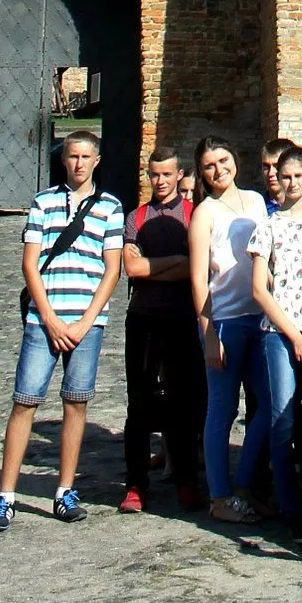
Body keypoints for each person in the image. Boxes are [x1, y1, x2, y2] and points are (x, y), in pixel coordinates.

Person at [0, 131, 123, 532]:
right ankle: (5, 496)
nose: (79, 163)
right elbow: (30, 263)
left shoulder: (111, 207)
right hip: (44, 319)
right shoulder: (42, 203)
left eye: (85, 157)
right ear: (64, 160)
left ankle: (65, 490)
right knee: (25, 401)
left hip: (86, 323)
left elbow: (112, 269)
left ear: (96, 161)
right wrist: (48, 317)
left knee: (76, 403)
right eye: (73, 156)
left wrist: (84, 321)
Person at [250, 142, 302, 542]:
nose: (292, 183)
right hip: (280, 334)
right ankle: (290, 507)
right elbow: (259, 289)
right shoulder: (268, 226)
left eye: (299, 175)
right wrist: (293, 334)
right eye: (285, 176)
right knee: (282, 419)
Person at [188, 135, 271, 524]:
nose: (218, 169)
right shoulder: (204, 213)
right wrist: (208, 333)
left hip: (261, 317)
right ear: (201, 172)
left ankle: (244, 484)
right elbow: (198, 279)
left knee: (270, 404)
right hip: (224, 320)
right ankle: (220, 497)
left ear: (234, 159)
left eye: (223, 160)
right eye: (209, 165)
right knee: (222, 410)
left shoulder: (256, 201)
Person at [119, 148, 203, 515]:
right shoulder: (136, 217)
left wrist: (155, 266)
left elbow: (196, 269)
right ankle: (136, 484)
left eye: (167, 174)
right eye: (154, 175)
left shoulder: (193, 215)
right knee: (138, 404)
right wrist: (175, 262)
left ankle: (186, 480)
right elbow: (132, 269)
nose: (160, 181)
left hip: (182, 319)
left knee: (183, 403)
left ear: (179, 175)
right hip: (143, 318)